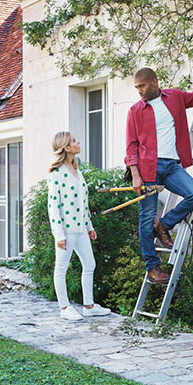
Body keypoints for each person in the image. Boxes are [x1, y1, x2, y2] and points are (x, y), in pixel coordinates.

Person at [125, 64, 193, 284]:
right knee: (145, 220)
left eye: (142, 86)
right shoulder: (135, 111)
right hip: (147, 170)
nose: (140, 91)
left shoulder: (174, 97)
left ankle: (164, 225)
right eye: (136, 88)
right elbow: (131, 146)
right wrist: (135, 174)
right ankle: (153, 268)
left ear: (154, 82)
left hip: (172, 166)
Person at [47, 131, 112, 321]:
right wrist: (59, 235)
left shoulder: (77, 170)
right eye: (75, 141)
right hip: (66, 232)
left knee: (90, 264)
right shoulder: (56, 174)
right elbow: (53, 207)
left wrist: (89, 226)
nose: (78, 142)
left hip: (81, 229)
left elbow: (83, 202)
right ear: (66, 147)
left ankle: (89, 306)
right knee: (61, 268)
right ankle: (64, 308)